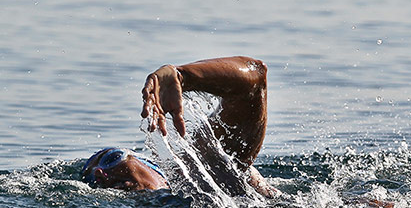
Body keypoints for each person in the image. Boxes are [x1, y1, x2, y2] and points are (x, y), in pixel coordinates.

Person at [81, 56, 278, 197]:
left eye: (111, 158)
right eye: (90, 179)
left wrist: (182, 76)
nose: (99, 174)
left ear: (155, 168)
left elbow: (253, 80)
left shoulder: (203, 167)